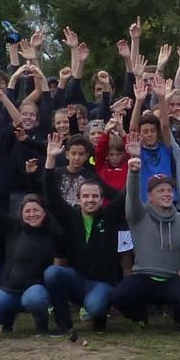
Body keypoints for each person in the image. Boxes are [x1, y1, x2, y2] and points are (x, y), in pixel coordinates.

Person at [39, 136, 126, 340]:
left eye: (95, 196)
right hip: (78, 280)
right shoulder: (71, 216)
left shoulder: (110, 215)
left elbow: (125, 197)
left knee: (95, 307)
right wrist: (50, 161)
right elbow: (51, 197)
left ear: (101, 198)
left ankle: (100, 314)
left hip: (102, 283)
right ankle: (63, 322)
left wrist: (135, 166)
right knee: (53, 273)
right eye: (85, 196)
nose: (90, 200)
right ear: (78, 199)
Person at [112, 162, 180, 327]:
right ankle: (139, 317)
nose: (167, 194)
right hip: (143, 277)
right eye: (161, 191)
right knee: (118, 296)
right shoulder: (138, 216)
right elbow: (132, 196)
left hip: (172, 278)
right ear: (150, 197)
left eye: (169, 190)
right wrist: (133, 172)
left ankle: (179, 320)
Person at [0, 193, 59, 334]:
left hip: (36, 289)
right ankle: (10, 315)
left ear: (44, 212)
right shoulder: (13, 227)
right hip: (10, 289)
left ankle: (41, 324)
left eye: (36, 210)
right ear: (21, 214)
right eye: (27, 211)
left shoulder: (54, 233)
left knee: (34, 299)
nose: (32, 214)